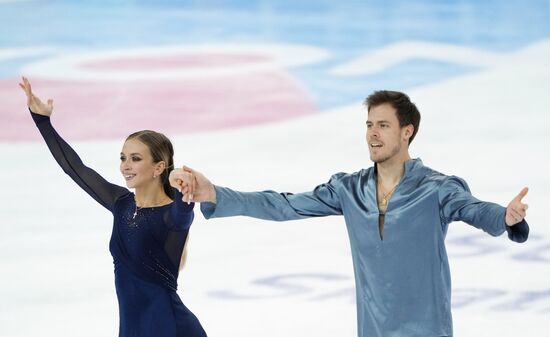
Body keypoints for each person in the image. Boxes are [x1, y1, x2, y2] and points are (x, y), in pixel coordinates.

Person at [177, 90, 529, 337]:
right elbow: (284, 205)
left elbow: (473, 209)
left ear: (407, 132)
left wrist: (505, 217)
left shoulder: (436, 188)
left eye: (383, 125)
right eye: (369, 124)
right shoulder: (349, 189)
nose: (372, 134)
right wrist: (213, 193)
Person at [20, 77, 207, 337]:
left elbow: (183, 210)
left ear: (158, 167)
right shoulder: (120, 202)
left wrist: (182, 185)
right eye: (123, 158)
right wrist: (42, 122)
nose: (125, 165)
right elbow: (75, 169)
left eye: (136, 158)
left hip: (170, 327)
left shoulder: (172, 216)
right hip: (132, 328)